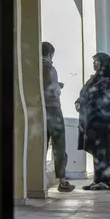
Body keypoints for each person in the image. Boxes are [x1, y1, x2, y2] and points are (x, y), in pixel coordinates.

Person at [75, 52, 110, 191]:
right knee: (96, 151)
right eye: (93, 61)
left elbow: (99, 99)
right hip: (93, 120)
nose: (94, 64)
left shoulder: (108, 81)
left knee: (103, 151)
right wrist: (78, 102)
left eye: (96, 61)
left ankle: (105, 181)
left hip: (103, 121)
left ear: (103, 63)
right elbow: (85, 92)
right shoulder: (95, 78)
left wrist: (85, 103)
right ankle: (97, 180)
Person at [41, 42, 75, 192]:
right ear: (50, 54)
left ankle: (37, 179)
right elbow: (54, 91)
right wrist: (58, 87)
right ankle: (62, 180)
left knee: (41, 144)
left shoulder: (33, 67)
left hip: (39, 110)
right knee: (59, 144)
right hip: (53, 108)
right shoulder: (49, 67)